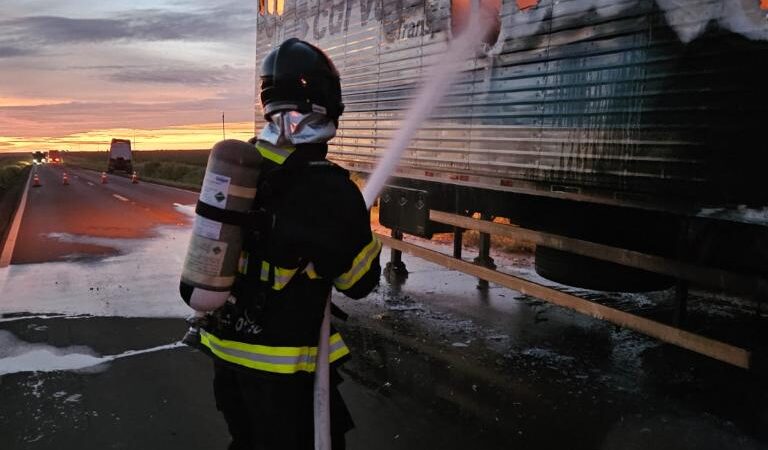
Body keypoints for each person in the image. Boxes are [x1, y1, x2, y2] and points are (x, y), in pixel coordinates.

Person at [195, 38, 381, 449]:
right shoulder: (328, 188)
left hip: (227, 356)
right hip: (285, 371)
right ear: (327, 103)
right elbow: (360, 283)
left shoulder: (241, 167)